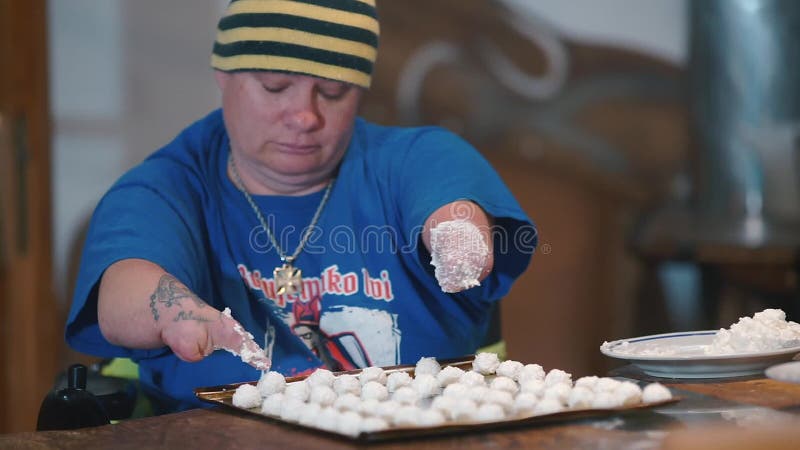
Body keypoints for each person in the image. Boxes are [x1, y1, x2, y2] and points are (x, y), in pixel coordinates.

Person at [66, 0, 536, 413]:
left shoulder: (414, 159)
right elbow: (123, 289)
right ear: (224, 76)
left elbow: (452, 205)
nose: (305, 116)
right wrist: (180, 317)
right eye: (275, 85)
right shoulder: (168, 185)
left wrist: (458, 242)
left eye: (333, 92)